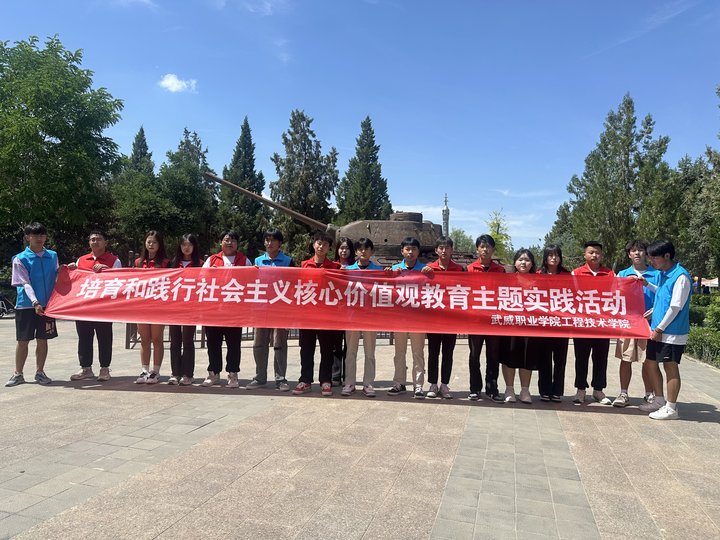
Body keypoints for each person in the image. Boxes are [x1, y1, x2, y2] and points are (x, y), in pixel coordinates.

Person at [640, 240, 691, 420]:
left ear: (667, 256)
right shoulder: (664, 273)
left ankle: (671, 408)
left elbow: (675, 306)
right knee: (650, 363)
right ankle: (659, 400)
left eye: (654, 257)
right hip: (658, 330)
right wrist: (647, 284)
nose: (651, 261)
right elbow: (663, 294)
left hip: (671, 333)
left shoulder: (680, 276)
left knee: (670, 367)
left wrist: (660, 328)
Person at [6, 223, 58, 387]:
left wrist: (68, 269)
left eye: (42, 235)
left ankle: (40, 372)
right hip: (26, 306)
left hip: (47, 306)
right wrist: (35, 302)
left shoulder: (53, 256)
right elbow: (25, 283)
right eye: (35, 235)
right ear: (27, 237)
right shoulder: (20, 258)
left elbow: (58, 276)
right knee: (23, 340)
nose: (39, 238)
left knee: (43, 339)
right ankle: (18, 374)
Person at [67, 230, 122, 383]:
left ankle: (104, 368)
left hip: (103, 307)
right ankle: (86, 368)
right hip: (83, 307)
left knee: (104, 338)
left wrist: (108, 271)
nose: (95, 242)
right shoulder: (81, 260)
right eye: (92, 239)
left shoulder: (114, 261)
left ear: (105, 242)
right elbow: (75, 281)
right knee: (84, 337)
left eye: (99, 239)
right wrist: (71, 270)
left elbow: (120, 281)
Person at [293, 232, 341, 396]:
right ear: (314, 244)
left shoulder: (335, 267)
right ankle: (305, 380)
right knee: (306, 349)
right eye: (319, 243)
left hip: (326, 316)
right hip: (307, 316)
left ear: (329, 248)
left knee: (327, 350)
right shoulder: (304, 265)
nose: (321, 246)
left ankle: (326, 381)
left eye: (325, 244)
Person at [612, 240, 659, 407]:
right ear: (629, 255)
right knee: (626, 358)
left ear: (646, 253)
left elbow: (663, 296)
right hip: (629, 323)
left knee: (649, 361)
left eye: (640, 250)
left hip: (650, 324)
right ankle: (623, 393)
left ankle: (649, 394)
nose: (637, 253)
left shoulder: (657, 274)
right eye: (633, 250)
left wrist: (655, 310)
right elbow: (614, 297)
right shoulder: (622, 274)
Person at [202, 230, 251, 388]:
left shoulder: (244, 260)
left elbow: (251, 282)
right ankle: (214, 373)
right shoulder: (211, 260)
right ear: (220, 242)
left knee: (234, 345)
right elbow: (201, 279)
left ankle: (233, 374)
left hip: (234, 311)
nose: (230, 243)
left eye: (233, 240)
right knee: (213, 344)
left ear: (237, 244)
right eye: (226, 239)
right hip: (214, 310)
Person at [387, 236, 433, 399]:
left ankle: (418, 385)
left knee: (417, 352)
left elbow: (434, 288)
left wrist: (431, 275)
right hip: (399, 318)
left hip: (417, 319)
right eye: (407, 249)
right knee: (399, 352)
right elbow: (385, 289)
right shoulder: (395, 269)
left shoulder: (425, 270)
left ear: (418, 252)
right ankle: (399, 383)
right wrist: (389, 275)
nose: (410, 252)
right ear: (402, 251)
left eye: (413, 249)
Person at [249, 229, 294, 392]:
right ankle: (260, 378)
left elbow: (293, 286)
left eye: (273, 240)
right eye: (267, 240)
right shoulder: (257, 261)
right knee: (258, 344)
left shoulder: (288, 261)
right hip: (261, 310)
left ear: (280, 243)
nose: (270, 243)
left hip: (280, 310)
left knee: (279, 344)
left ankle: (280, 379)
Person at [571, 241, 614, 404]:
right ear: (585, 255)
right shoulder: (576, 273)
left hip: (602, 324)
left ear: (601, 255)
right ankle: (580, 390)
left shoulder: (610, 274)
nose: (594, 255)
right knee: (581, 357)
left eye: (597, 252)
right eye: (591, 252)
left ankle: (598, 390)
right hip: (582, 323)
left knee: (601, 357)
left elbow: (616, 294)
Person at [342, 238, 384, 397]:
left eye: (367, 249)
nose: (363, 252)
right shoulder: (347, 270)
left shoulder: (379, 270)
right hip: (352, 317)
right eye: (360, 249)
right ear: (356, 252)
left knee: (370, 352)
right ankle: (349, 383)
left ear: (372, 251)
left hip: (370, 317)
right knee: (350, 352)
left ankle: (368, 383)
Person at [466, 234, 506, 402]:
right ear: (477, 249)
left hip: (494, 320)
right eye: (482, 246)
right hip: (475, 321)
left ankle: (492, 389)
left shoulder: (500, 270)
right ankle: (475, 389)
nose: (485, 249)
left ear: (493, 249)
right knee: (474, 355)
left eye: (488, 246)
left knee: (493, 355)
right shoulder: (469, 269)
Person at [425, 236, 464, 399]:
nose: (444, 251)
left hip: (451, 319)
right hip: (433, 319)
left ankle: (445, 384)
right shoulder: (429, 269)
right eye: (441, 248)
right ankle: (433, 384)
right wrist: (424, 275)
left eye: (447, 248)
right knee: (433, 352)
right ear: (436, 250)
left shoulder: (459, 270)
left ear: (452, 250)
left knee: (448, 352)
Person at [501, 249, 539, 404]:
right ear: (515, 262)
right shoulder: (507, 280)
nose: (523, 262)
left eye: (527, 260)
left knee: (526, 358)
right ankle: (509, 389)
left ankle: (525, 390)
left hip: (529, 326)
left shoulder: (538, 281)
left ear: (532, 263)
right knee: (509, 357)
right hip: (510, 325)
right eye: (520, 259)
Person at [134, 230, 170, 384]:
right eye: (148, 241)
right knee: (144, 339)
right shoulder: (138, 262)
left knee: (157, 339)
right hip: (141, 306)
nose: (151, 244)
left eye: (154, 242)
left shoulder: (166, 263)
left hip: (158, 306)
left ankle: (155, 371)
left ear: (159, 244)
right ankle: (144, 370)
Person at [168, 233, 203, 386]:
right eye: (183, 244)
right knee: (175, 340)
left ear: (194, 246)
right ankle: (175, 373)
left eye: (189, 244)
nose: (186, 247)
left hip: (191, 308)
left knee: (187, 340)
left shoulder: (200, 264)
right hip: (174, 307)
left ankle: (188, 374)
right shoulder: (173, 263)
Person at [536, 245, 570, 402]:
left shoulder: (567, 275)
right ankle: (544, 391)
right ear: (545, 258)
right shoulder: (538, 274)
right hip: (543, 324)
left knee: (560, 359)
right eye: (550, 255)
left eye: (557, 255)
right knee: (544, 359)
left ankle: (557, 391)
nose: (554, 258)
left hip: (561, 324)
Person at [331, 236, 355, 387]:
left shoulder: (356, 267)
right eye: (341, 248)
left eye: (346, 248)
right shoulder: (332, 266)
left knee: (349, 346)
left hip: (351, 311)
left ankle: (348, 375)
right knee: (335, 345)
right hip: (335, 310)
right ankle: (335, 375)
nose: (344, 251)